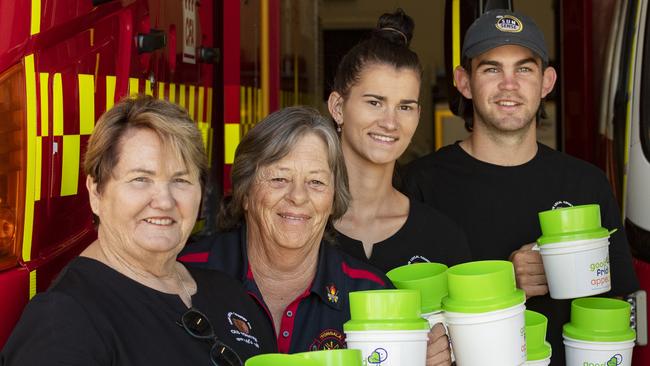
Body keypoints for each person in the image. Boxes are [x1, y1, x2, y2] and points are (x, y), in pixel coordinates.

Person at [402, 9, 640, 365]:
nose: (509, 84)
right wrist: (502, 286)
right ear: (464, 81)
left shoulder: (586, 183)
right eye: (492, 68)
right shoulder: (419, 184)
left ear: (547, 81)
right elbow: (401, 318)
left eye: (524, 69)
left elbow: (617, 304)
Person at [0, 96, 274, 366]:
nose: (165, 201)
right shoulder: (62, 321)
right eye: (141, 179)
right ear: (96, 191)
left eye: (180, 180)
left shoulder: (229, 293)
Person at [179, 106, 451, 365]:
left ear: (334, 200)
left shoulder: (370, 291)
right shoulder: (187, 275)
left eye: (316, 182)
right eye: (279, 179)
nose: (298, 196)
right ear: (245, 193)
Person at [327, 9, 471, 273]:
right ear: (337, 107)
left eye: (405, 107)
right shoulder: (299, 224)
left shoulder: (443, 238)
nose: (390, 122)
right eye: (374, 102)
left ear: (418, 115)